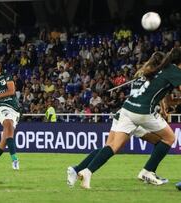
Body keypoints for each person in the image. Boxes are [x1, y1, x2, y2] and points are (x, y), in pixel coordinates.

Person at [68, 49, 181, 189]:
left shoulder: (145, 74)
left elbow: (159, 92)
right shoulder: (173, 72)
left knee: (112, 147)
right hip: (142, 113)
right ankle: (148, 171)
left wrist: (165, 106)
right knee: (168, 139)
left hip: (126, 110)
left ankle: (84, 171)